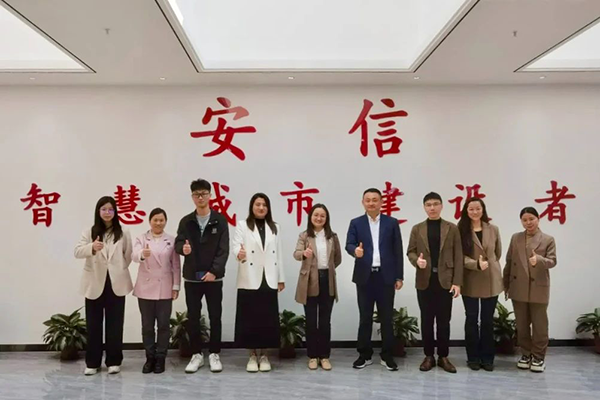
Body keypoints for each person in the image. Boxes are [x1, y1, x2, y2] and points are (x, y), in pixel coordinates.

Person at [345, 188, 404, 371]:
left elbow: (398, 250)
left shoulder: (391, 223)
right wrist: (355, 251)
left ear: (381, 202)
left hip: (386, 277)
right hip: (365, 276)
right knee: (365, 317)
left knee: (387, 318)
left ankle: (387, 355)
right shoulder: (356, 223)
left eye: (375, 200)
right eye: (368, 200)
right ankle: (364, 355)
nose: (371, 203)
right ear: (363, 202)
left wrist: (399, 276)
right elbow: (349, 244)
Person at [175, 179, 229, 373]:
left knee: (215, 316)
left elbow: (223, 249)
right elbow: (178, 243)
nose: (200, 197)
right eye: (197, 194)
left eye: (204, 194)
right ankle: (196, 354)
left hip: (214, 278)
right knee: (193, 317)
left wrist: (214, 271)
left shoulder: (220, 220)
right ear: (192, 197)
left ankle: (214, 353)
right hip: (192, 277)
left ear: (210, 195)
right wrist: (182, 249)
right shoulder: (186, 221)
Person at [74, 196, 132, 376]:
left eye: (111, 209)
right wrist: (92, 247)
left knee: (115, 324)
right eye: (104, 209)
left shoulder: (123, 232)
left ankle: (114, 361)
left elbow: (128, 255)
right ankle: (92, 362)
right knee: (93, 325)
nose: (107, 212)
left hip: (116, 283)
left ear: (115, 212)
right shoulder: (89, 232)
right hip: (94, 283)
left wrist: (117, 269)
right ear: (98, 211)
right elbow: (77, 252)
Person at [407, 192, 463, 373]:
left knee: (444, 321)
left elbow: (458, 256)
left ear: (441, 206)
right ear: (424, 207)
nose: (432, 207)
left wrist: (457, 282)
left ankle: (443, 356)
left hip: (445, 281)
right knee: (427, 320)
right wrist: (417, 261)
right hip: (425, 281)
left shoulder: (451, 228)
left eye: (435, 204)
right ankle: (429, 356)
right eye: (428, 204)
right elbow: (410, 251)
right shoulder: (417, 228)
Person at [232, 193, 285, 373]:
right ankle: (252, 355)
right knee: (250, 318)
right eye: (257, 204)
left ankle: (264, 355)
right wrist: (238, 253)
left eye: (264, 205)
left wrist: (281, 278)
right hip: (249, 276)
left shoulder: (275, 227)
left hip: (269, 277)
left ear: (268, 208)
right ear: (252, 207)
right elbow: (236, 245)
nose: (261, 207)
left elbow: (278, 253)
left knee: (267, 319)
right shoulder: (242, 225)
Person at [503, 206, 556, 373]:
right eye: (524, 220)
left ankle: (538, 357)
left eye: (531, 219)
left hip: (538, 287)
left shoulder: (548, 239)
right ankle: (526, 354)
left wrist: (539, 260)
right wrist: (506, 284)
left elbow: (552, 261)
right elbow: (509, 262)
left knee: (540, 326)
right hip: (518, 287)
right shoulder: (516, 238)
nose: (528, 222)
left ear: (538, 219)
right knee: (522, 325)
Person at [293, 204, 342, 371]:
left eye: (322, 216)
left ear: (326, 218)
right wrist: (303, 254)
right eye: (316, 215)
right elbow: (296, 253)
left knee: (325, 321)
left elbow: (337, 258)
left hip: (327, 279)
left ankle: (324, 356)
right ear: (311, 217)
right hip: (309, 280)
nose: (319, 218)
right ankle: (313, 356)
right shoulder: (304, 235)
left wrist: (326, 270)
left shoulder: (332, 236)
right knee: (311, 321)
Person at [132, 208, 181, 374]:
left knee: (163, 325)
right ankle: (149, 357)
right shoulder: (141, 238)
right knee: (147, 326)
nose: (158, 223)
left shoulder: (171, 240)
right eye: (155, 220)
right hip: (145, 287)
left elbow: (176, 265)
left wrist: (176, 286)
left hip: (165, 287)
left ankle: (161, 357)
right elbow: (133, 255)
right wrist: (142, 254)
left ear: (165, 221)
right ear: (150, 221)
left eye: (161, 220)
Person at [457, 197, 502, 371]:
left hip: (491, 279)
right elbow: (458, 256)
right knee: (471, 318)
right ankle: (473, 357)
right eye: (471, 209)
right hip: (470, 279)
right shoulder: (460, 229)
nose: (475, 212)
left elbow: (497, 253)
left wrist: (487, 264)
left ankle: (488, 358)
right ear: (466, 211)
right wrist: (475, 264)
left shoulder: (493, 229)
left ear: (483, 210)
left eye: (478, 208)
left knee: (487, 320)